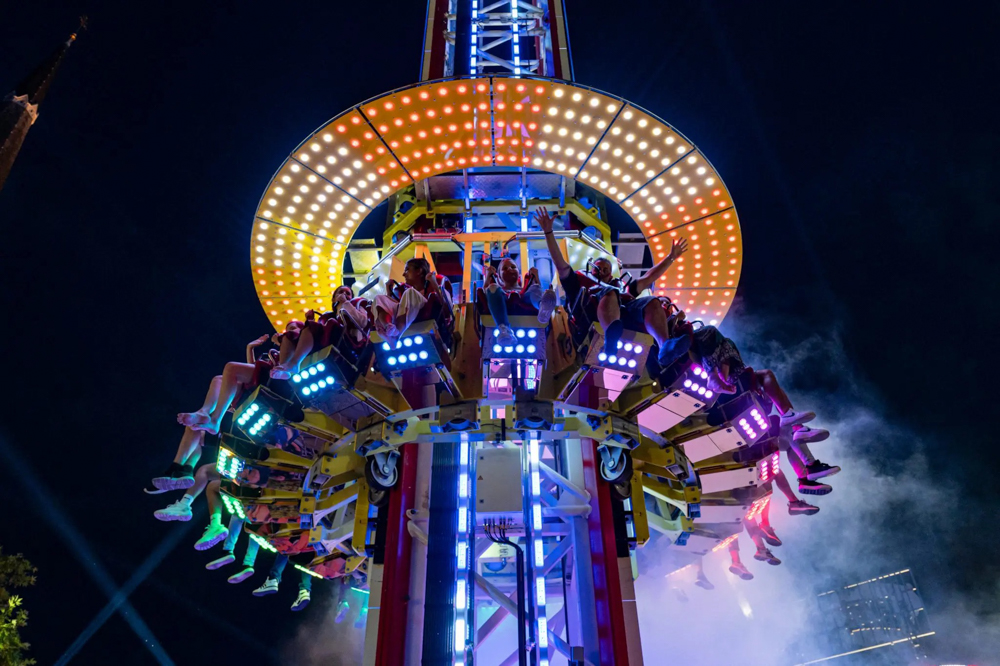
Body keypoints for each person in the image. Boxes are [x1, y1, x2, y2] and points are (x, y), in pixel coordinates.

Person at [535, 206, 690, 365]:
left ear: (611, 273)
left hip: (624, 315)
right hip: (590, 313)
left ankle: (665, 346)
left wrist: (671, 258)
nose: (602, 271)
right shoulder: (579, 282)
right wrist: (548, 232)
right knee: (610, 292)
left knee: (653, 302)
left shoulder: (622, 287)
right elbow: (560, 264)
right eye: (598, 268)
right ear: (591, 269)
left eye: (606, 269)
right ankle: (610, 337)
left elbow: (648, 277)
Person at [174, 335, 276, 436]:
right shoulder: (272, 355)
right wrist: (250, 347)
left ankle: (215, 420)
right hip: (256, 381)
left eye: (292, 327)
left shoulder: (286, 346)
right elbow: (253, 370)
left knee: (231, 368)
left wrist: (281, 340)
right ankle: (203, 412)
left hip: (273, 377)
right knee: (218, 380)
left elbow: (255, 371)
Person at [270, 286, 371, 380]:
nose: (344, 294)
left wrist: (345, 302)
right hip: (327, 339)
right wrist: (310, 320)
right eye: (340, 292)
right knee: (289, 335)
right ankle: (284, 366)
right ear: (333, 299)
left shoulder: (356, 305)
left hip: (348, 340)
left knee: (325, 324)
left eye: (348, 293)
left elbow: (362, 322)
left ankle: (294, 363)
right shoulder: (327, 316)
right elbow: (317, 330)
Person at [373, 257, 454, 346]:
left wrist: (434, 283)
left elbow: (447, 309)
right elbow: (393, 308)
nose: (404, 274)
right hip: (407, 317)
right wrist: (389, 292)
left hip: (426, 314)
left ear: (419, 271)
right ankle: (388, 327)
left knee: (410, 292)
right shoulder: (405, 294)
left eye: (407, 270)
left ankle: (396, 337)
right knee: (379, 298)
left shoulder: (432, 288)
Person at [482, 257, 558, 345]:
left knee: (535, 288)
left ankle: (542, 308)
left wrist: (536, 277)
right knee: (492, 288)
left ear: (519, 274)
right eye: (505, 268)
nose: (509, 269)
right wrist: (488, 276)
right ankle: (504, 329)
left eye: (513, 267)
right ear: (499, 276)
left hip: (525, 299)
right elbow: (486, 294)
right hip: (503, 302)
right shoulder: (499, 290)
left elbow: (538, 290)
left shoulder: (526, 289)